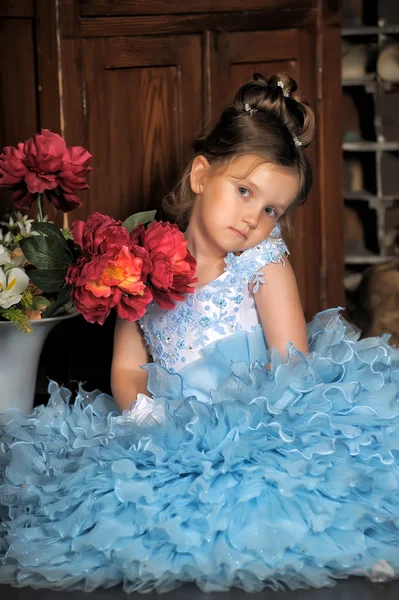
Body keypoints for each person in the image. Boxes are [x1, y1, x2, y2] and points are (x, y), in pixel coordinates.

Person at [1, 73, 398, 594]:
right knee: (121, 503)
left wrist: (243, 430)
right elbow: (126, 367)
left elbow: (293, 366)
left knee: (257, 502)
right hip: (167, 420)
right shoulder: (134, 265)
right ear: (200, 175)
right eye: (244, 191)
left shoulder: (261, 264)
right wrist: (146, 413)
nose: (252, 217)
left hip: (258, 422)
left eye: (271, 209)